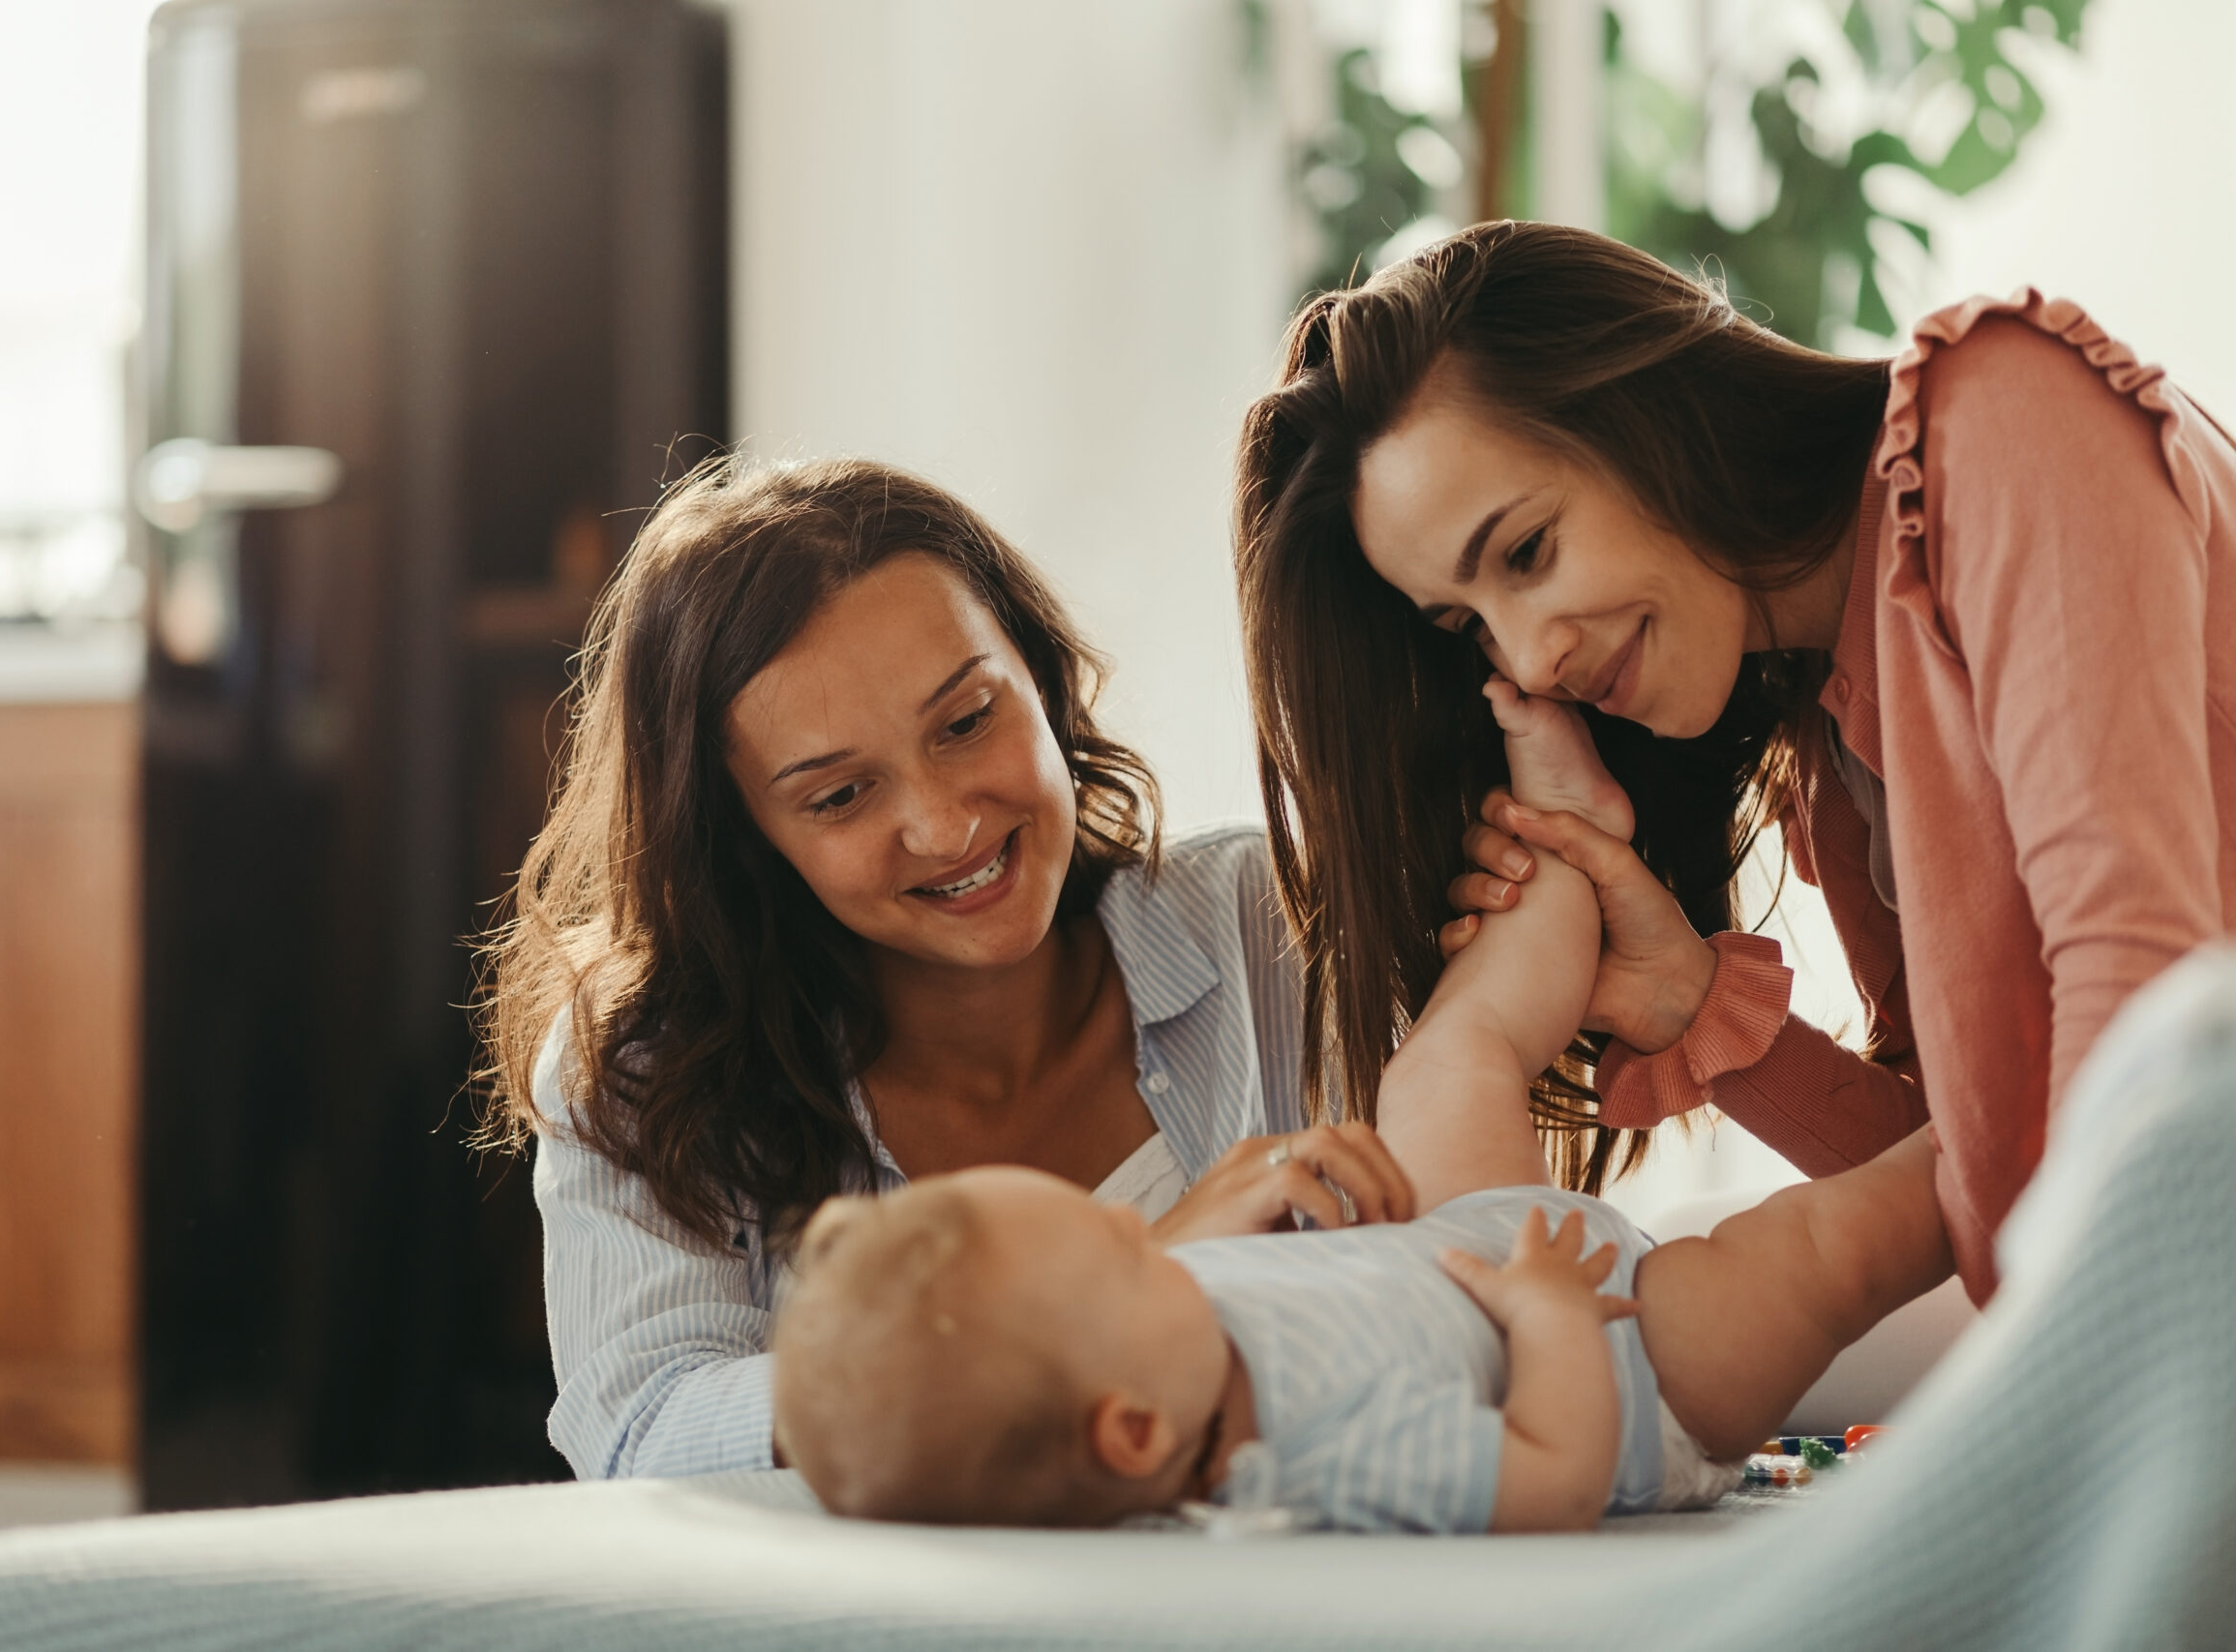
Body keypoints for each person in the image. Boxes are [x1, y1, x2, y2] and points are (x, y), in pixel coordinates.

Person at [1232, 220, 2236, 1302]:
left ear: (1652, 413)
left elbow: (2144, 1006)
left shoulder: (2003, 417)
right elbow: (1974, 1187)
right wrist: (1688, 998)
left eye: (1526, 551)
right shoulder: (1832, 743)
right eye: (1466, 627)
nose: (1528, 658)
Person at [772, 698, 1951, 1529]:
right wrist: (1548, 1322)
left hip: (1458, 1242)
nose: (1161, 1246)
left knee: (1444, 1067)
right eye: (1130, 1263)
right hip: (1626, 1355)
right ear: (1135, 1433)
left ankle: (1566, 834)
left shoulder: (1152, 1343)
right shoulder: (1314, 1458)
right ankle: (2017, 1138)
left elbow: (1256, 1279)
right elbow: (1549, 1483)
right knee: (1821, 1249)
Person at [479, 457, 1414, 1480]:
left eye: (968, 722)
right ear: (746, 837)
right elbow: (645, 1434)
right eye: (838, 796)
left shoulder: (1268, 921)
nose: (945, 825)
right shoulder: (647, 1067)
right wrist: (1137, 1283)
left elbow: (1465, 1285)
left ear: (1041, 678)